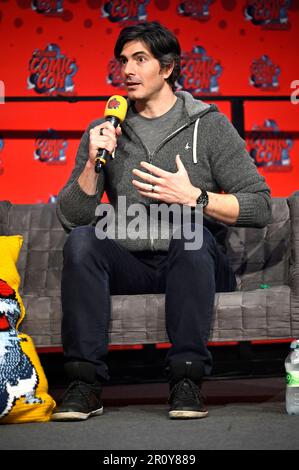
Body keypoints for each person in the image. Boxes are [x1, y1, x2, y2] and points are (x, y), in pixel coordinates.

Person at [51, 21, 271, 421]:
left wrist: (195, 198)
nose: (128, 71)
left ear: (168, 68)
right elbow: (72, 217)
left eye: (140, 60)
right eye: (123, 61)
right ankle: (84, 385)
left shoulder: (209, 126)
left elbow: (260, 206)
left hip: (195, 263)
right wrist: (91, 161)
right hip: (132, 263)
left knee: (191, 237)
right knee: (84, 239)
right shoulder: (106, 130)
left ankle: (186, 380)